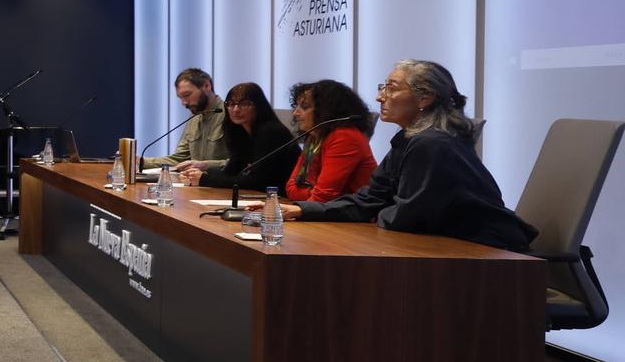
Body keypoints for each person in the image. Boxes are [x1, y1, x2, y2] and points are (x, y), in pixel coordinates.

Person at [285, 60, 537, 251]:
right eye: (381, 87)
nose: (379, 96)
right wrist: (302, 210)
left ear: (425, 97)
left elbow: (408, 217)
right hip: (453, 249)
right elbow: (370, 199)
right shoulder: (408, 139)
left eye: (391, 88)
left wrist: (380, 211)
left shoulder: (432, 143)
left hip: (489, 255)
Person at [281, 78, 379, 203]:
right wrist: (311, 192)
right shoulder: (314, 137)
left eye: (304, 107)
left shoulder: (345, 137)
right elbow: (291, 188)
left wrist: (311, 193)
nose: (295, 113)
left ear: (326, 110)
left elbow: (324, 196)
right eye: (296, 106)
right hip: (329, 211)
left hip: (356, 216)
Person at [188, 83, 295, 191]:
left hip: (281, 199)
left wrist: (204, 179)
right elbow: (231, 172)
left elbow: (257, 181)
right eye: (230, 104)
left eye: (244, 104)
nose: (235, 109)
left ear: (258, 106)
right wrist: (197, 176)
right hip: (256, 196)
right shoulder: (240, 133)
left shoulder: (271, 132)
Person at [146, 68, 230, 170]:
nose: (184, 103)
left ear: (207, 86)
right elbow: (180, 159)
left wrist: (206, 165)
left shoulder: (231, 114)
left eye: (187, 95)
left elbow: (242, 163)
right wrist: (141, 162)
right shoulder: (194, 117)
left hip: (224, 184)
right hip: (196, 184)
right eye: (180, 98)